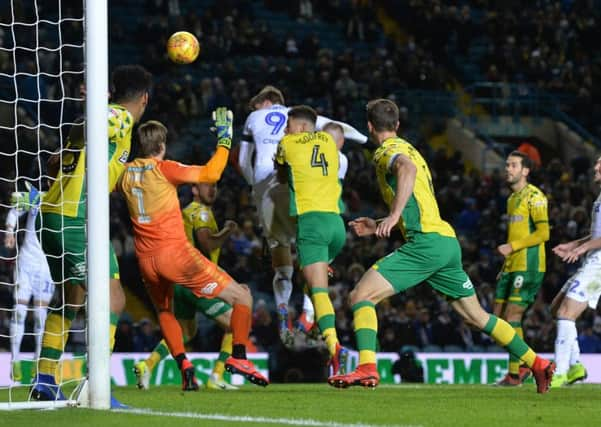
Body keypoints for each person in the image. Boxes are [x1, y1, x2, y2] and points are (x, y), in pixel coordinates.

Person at [328, 99, 555, 393]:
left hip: (426, 245)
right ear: (397, 125)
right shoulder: (413, 150)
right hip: (446, 243)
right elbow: (416, 200)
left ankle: (367, 368)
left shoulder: (387, 151)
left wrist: (394, 215)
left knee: (361, 296)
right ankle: (538, 365)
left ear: (370, 127)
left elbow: (405, 171)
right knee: (478, 317)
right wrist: (379, 222)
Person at [32, 65, 153, 408]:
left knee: (70, 298)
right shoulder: (121, 118)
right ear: (144, 99)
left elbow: (57, 160)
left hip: (52, 214)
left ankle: (44, 379)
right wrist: (93, 112)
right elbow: (93, 125)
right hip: (78, 219)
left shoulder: (109, 118)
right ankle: (95, 383)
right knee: (113, 298)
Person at [119, 113, 268, 391]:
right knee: (243, 297)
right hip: (176, 255)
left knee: (166, 312)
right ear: (161, 146)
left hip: (145, 260)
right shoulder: (164, 168)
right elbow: (211, 173)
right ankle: (238, 358)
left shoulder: (125, 173)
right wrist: (224, 140)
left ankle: (184, 366)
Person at [238, 86, 366, 345]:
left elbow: (242, 162)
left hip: (269, 190)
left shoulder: (256, 120)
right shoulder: (309, 125)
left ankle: (284, 315)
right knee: (315, 260)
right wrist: (365, 138)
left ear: (267, 101)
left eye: (256, 104)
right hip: (319, 205)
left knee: (280, 253)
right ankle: (309, 314)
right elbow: (340, 128)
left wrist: (255, 189)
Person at [134, 182, 240, 391]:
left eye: (216, 186)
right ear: (194, 190)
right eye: (207, 186)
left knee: (185, 332)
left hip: (179, 280)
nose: (213, 190)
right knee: (235, 323)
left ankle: (147, 365)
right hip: (197, 279)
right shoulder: (200, 213)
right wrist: (228, 230)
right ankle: (217, 376)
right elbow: (207, 243)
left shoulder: (184, 213)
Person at [275, 105, 348, 375]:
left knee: (319, 291)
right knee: (313, 281)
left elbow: (282, 176)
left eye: (289, 124)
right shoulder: (329, 142)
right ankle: (310, 316)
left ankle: (333, 346)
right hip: (337, 225)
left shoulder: (287, 144)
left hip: (312, 223)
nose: (285, 130)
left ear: (302, 126)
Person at [494, 151, 549, 386]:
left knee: (511, 316)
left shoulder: (535, 197)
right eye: (507, 165)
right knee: (497, 318)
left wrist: (512, 247)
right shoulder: (512, 199)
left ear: (525, 170)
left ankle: (517, 372)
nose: (508, 169)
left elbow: (544, 233)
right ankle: (522, 368)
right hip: (513, 265)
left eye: (513, 165)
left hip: (530, 265)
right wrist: (506, 264)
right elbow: (515, 232)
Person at [549, 155, 601, 388]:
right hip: (592, 260)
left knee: (566, 313)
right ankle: (576, 365)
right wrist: (574, 244)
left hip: (599, 265)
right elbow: (597, 235)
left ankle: (559, 372)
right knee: (556, 308)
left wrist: (581, 249)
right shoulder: (599, 197)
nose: (596, 167)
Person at [5, 184, 54, 382]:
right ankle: (15, 360)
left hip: (47, 265)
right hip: (26, 260)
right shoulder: (36, 196)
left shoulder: (66, 197)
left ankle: (37, 364)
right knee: (19, 311)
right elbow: (14, 210)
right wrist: (9, 231)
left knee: (41, 316)